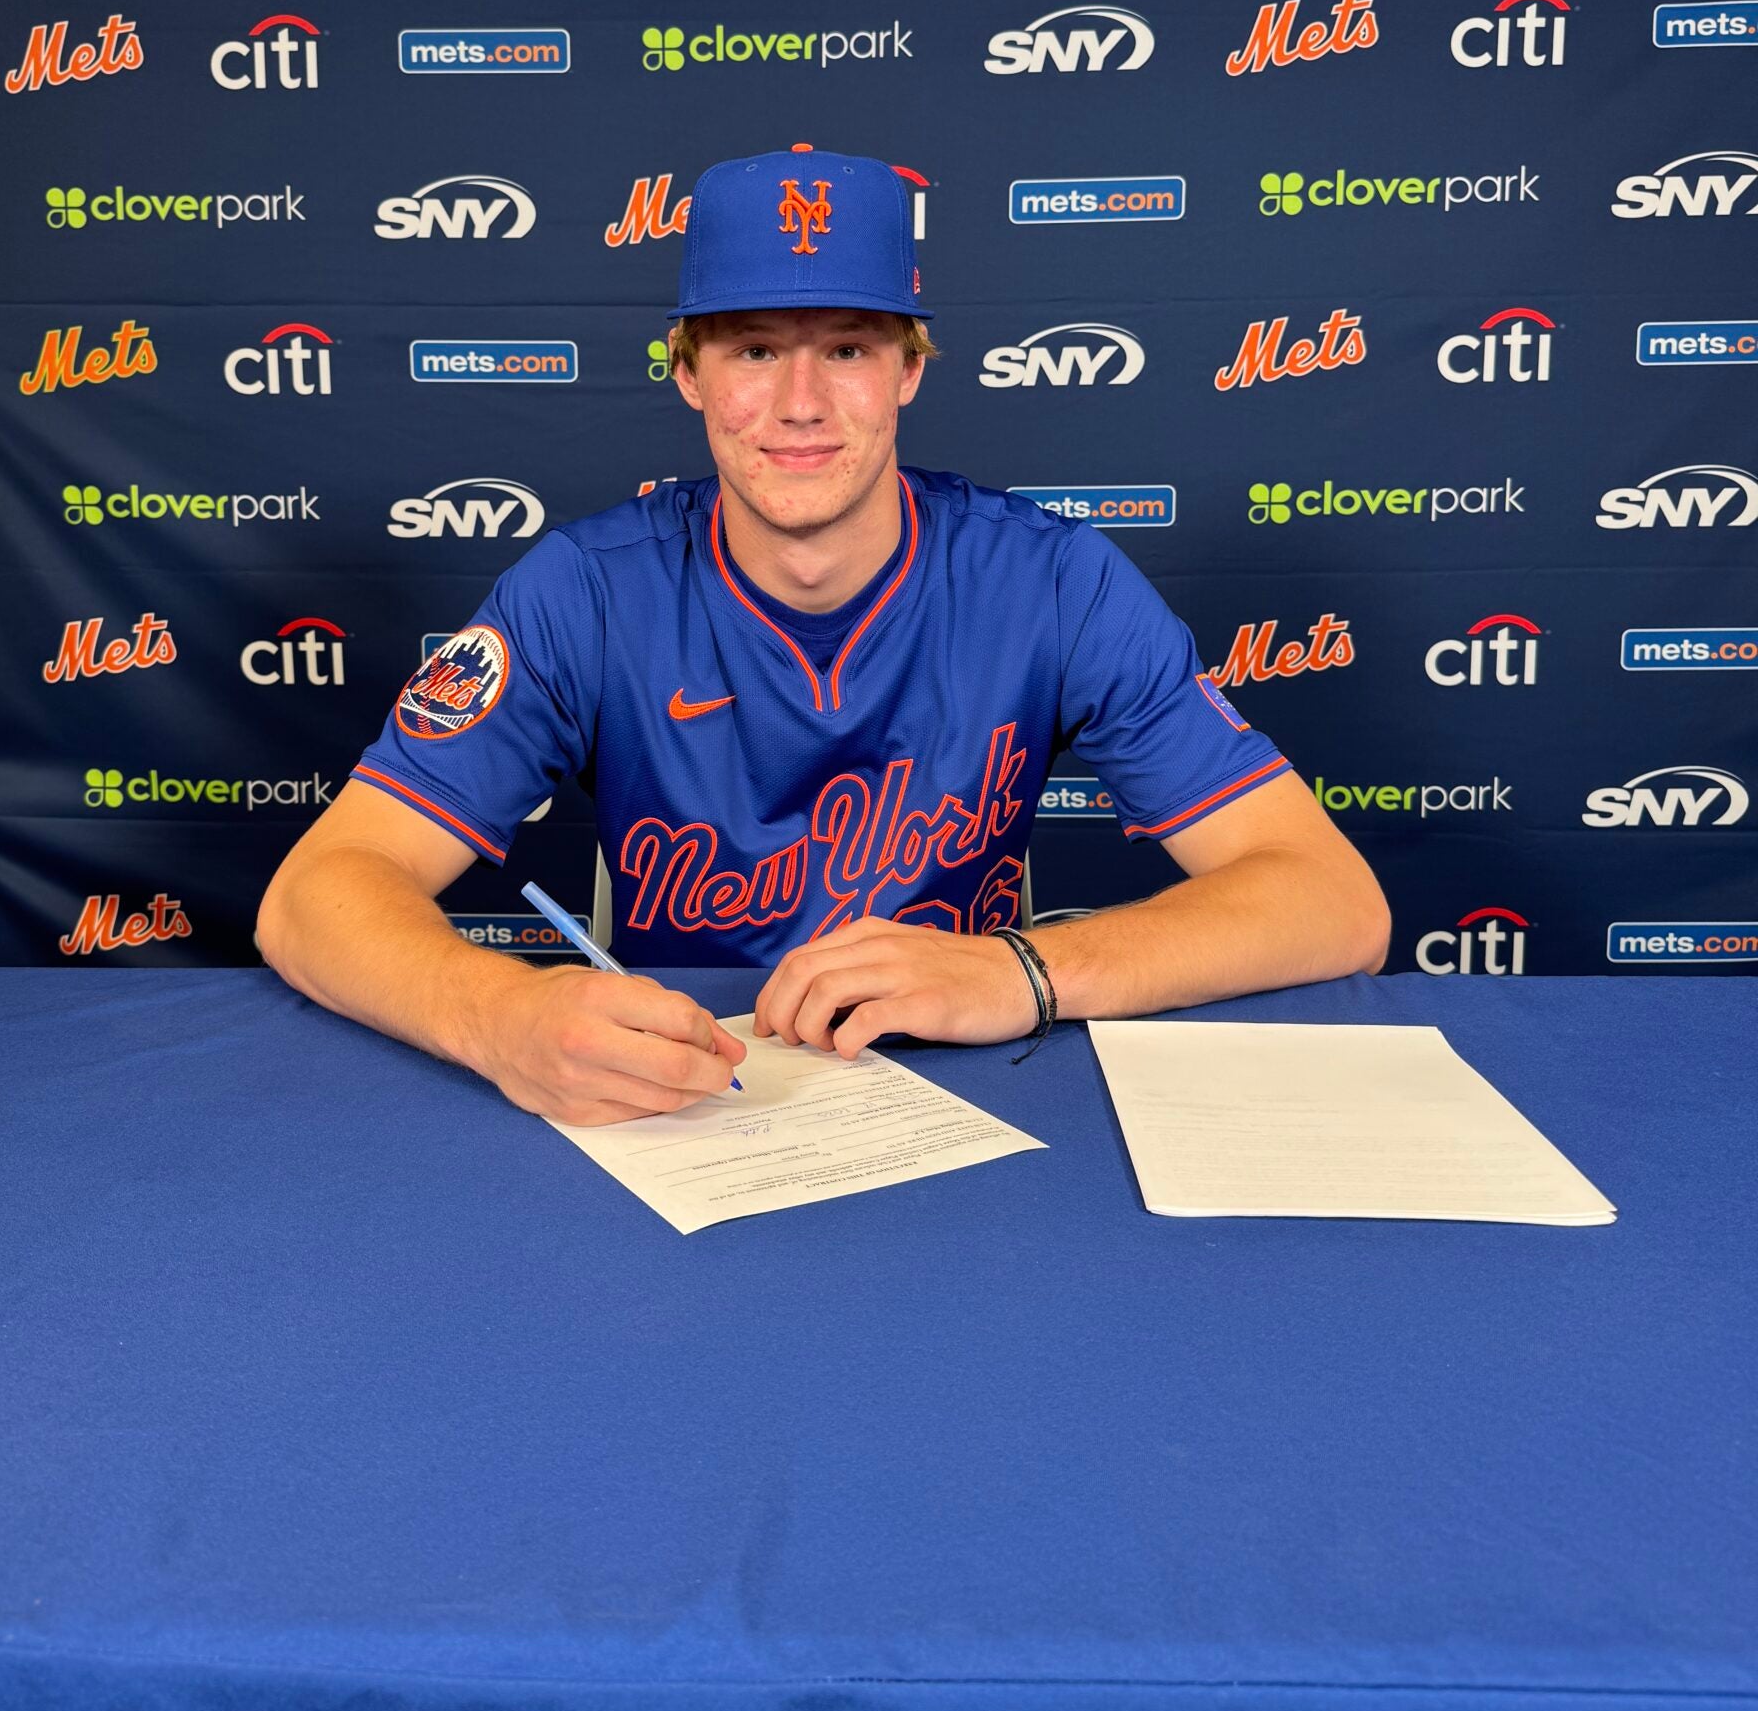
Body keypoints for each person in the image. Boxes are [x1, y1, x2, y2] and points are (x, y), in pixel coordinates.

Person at [256, 146, 1389, 1125]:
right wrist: (499, 1015)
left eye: (846, 348)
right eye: (754, 350)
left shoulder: (1051, 578)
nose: (800, 401)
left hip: (969, 1093)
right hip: (683, 1103)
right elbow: (317, 891)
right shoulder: (586, 590)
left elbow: (1332, 900)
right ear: (689, 374)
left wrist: (1024, 970)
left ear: (909, 370)